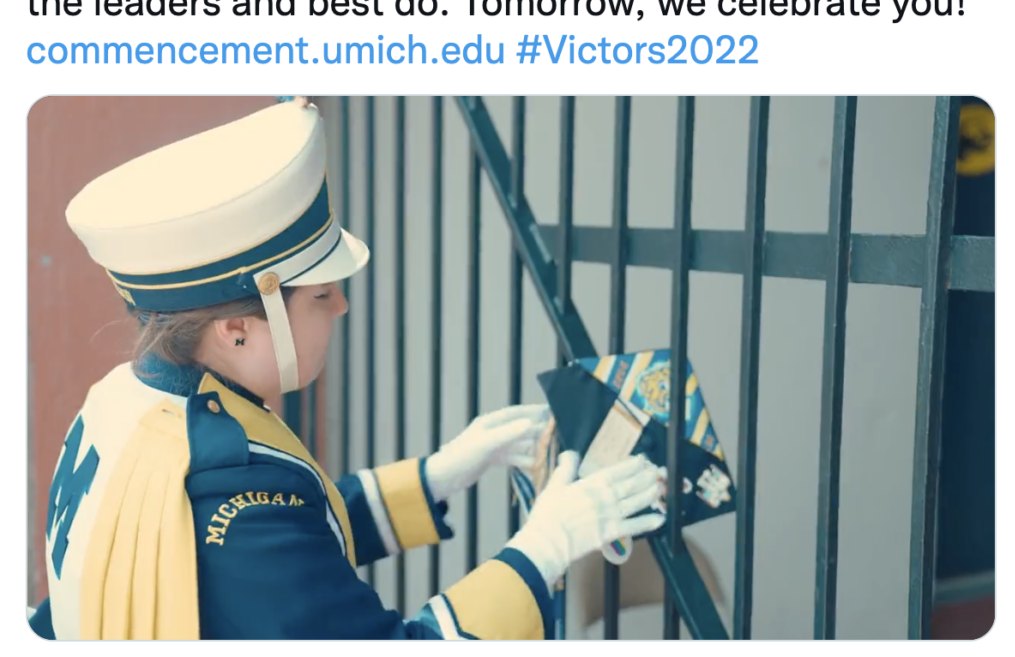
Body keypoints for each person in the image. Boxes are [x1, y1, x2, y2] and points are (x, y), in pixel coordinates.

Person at [31, 98, 666, 640]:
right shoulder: (230, 486)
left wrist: (440, 474)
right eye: (320, 294)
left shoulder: (129, 402)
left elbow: (285, 555)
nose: (342, 304)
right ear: (238, 330)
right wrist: (545, 547)